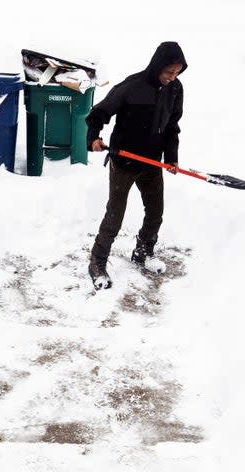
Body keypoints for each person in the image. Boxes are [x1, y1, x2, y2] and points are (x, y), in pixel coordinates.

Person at [85, 42, 187, 290]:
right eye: (168, 72)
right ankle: (97, 262)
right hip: (124, 161)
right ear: (157, 66)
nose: (172, 78)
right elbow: (98, 113)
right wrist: (94, 138)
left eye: (176, 73)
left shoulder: (175, 89)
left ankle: (143, 251)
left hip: (151, 162)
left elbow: (172, 126)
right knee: (114, 217)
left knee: (155, 213)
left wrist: (171, 157)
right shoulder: (132, 86)